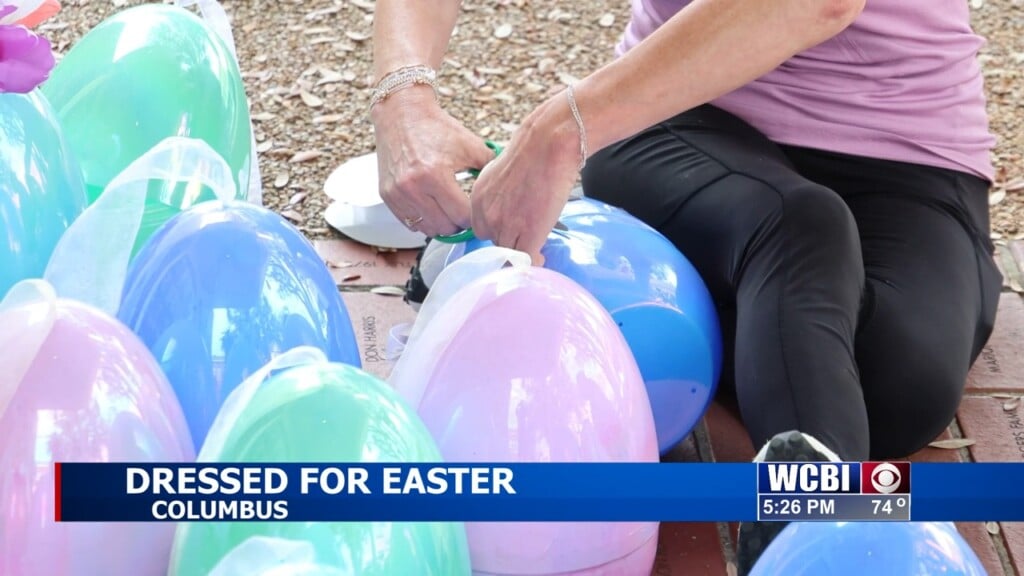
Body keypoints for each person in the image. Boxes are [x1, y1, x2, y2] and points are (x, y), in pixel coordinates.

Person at [367, 0, 1003, 572]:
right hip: (682, 114)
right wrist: (403, 101)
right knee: (802, 229)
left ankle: (739, 318)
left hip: (905, 150)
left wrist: (554, 131)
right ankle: (808, 538)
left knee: (893, 397)